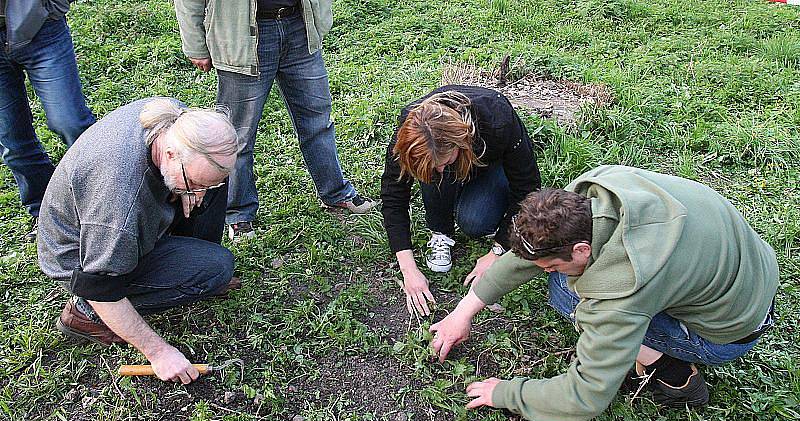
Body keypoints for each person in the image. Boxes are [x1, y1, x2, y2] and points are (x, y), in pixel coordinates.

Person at [429, 165, 778, 421]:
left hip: (730, 333)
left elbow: (585, 396)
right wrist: (463, 312)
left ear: (581, 250)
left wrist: (505, 393)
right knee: (564, 281)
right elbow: (528, 259)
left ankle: (671, 373)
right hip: (752, 271)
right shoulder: (598, 192)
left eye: (551, 264)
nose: (546, 269)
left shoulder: (622, 289)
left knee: (568, 294)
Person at [37, 98, 241, 385]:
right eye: (194, 184)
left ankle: (193, 260)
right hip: (83, 257)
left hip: (117, 226)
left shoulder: (176, 123)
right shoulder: (119, 203)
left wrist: (194, 187)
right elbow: (99, 285)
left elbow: (204, 174)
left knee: (215, 183)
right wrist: (158, 353)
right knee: (218, 267)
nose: (200, 192)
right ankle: (83, 314)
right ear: (170, 155)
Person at [174, 0, 377, 242]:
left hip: (299, 25)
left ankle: (335, 192)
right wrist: (195, 44)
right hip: (242, 34)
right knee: (236, 136)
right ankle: (238, 213)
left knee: (318, 123)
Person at [381, 85, 541, 316]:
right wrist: (409, 270)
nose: (439, 169)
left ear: (460, 142)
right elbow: (393, 196)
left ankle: (477, 195)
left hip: (488, 163)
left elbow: (528, 187)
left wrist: (497, 251)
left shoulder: (497, 118)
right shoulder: (410, 131)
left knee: (474, 222)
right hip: (455, 160)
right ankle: (441, 232)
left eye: (444, 161)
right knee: (436, 172)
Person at [0, 0, 95, 241]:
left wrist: (51, 8)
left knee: (72, 123)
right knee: (14, 143)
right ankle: (45, 213)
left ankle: (102, 204)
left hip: (40, 28)